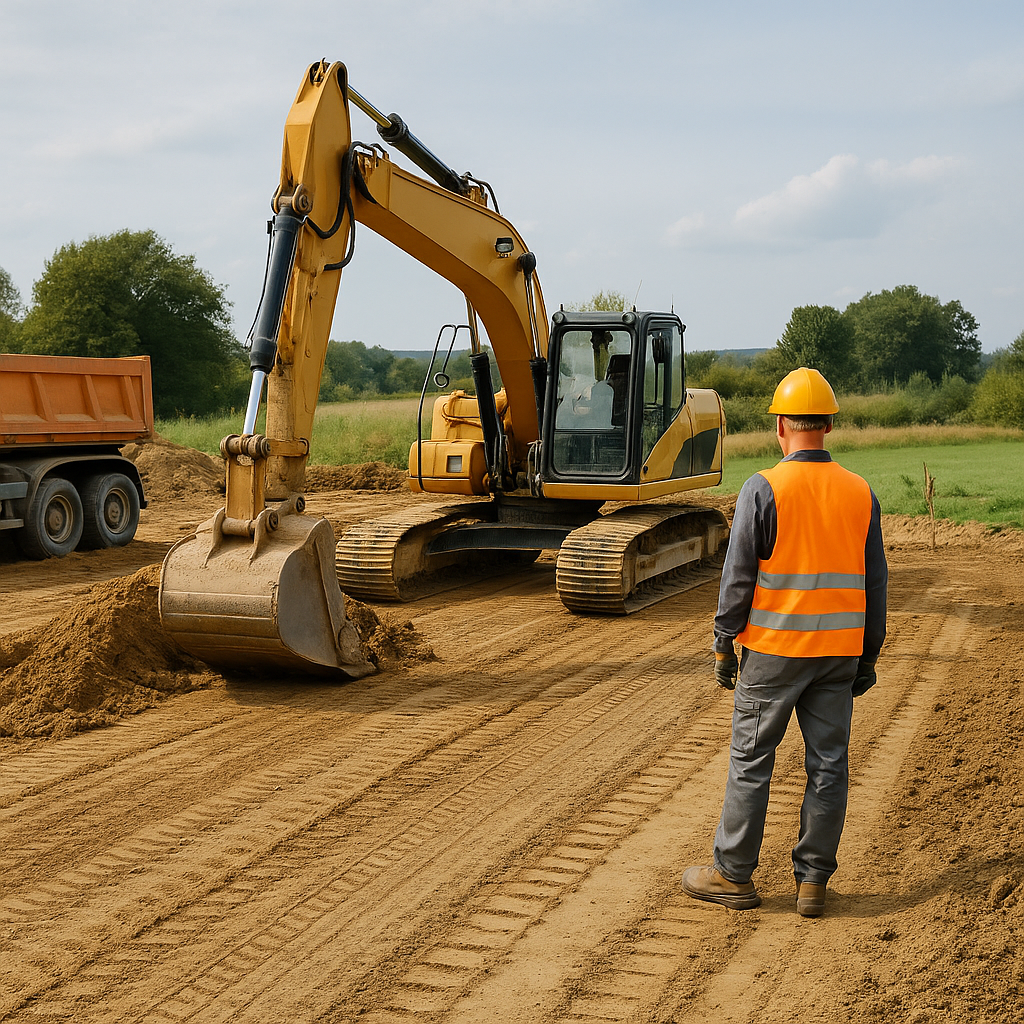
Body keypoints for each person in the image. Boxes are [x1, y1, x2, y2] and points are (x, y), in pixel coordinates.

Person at [681, 367, 888, 917]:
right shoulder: (859, 492)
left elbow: (737, 578)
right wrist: (868, 654)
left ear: (779, 425)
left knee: (752, 761)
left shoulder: (763, 488)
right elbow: (875, 583)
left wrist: (725, 644)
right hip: (839, 655)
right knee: (829, 766)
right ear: (828, 426)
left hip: (774, 654)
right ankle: (813, 883)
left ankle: (734, 876)